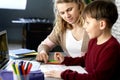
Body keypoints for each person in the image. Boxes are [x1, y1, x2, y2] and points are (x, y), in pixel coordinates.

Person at [45, 0, 120, 80]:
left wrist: (64, 74)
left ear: (102, 24)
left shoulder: (111, 49)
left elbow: (97, 78)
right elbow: (85, 60)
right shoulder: (93, 41)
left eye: (87, 22)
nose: (84, 26)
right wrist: (65, 60)